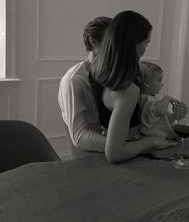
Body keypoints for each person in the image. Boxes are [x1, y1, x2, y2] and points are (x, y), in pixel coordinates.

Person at [90, 10, 179, 163]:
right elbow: (114, 154)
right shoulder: (128, 91)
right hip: (131, 150)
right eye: (146, 43)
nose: (145, 49)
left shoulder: (97, 68)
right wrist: (151, 142)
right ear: (133, 44)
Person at [58, 17, 112, 154]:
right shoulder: (73, 80)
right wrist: (122, 146)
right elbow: (80, 137)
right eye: (113, 42)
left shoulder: (113, 75)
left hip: (116, 151)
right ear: (93, 42)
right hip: (90, 157)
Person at [139, 61, 187, 139]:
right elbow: (159, 111)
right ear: (147, 83)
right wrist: (167, 97)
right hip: (156, 137)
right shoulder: (144, 99)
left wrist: (177, 114)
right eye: (159, 81)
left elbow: (162, 117)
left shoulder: (151, 98)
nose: (162, 84)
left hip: (163, 136)